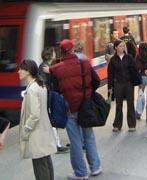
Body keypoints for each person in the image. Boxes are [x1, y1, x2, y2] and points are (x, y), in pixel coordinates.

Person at [44, 39, 102, 179]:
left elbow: (55, 89)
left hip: (70, 108)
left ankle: (81, 173)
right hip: (86, 106)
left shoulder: (57, 69)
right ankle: (95, 168)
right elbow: (97, 81)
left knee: (75, 141)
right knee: (89, 137)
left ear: (61, 52)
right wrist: (87, 93)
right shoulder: (85, 64)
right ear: (73, 49)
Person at [18, 60, 57, 180]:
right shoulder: (40, 85)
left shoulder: (32, 90)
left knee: (39, 166)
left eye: (21, 69)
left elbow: (34, 114)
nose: (18, 71)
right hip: (43, 130)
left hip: (36, 132)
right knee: (45, 161)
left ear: (28, 71)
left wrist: (26, 129)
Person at [39, 47, 69, 154]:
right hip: (49, 96)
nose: (55, 54)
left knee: (51, 119)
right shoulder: (44, 67)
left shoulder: (48, 66)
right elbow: (44, 83)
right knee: (51, 119)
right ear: (50, 55)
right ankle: (56, 145)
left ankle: (55, 144)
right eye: (53, 53)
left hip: (50, 95)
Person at [107, 39, 137, 132]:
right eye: (120, 46)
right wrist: (110, 88)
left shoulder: (129, 57)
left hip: (128, 83)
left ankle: (132, 125)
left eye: (123, 46)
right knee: (118, 105)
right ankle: (117, 125)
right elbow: (110, 74)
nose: (122, 48)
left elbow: (134, 70)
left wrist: (135, 82)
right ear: (115, 47)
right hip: (118, 84)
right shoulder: (113, 60)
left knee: (130, 104)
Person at [135, 42, 147, 122]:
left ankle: (138, 114)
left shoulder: (138, 57)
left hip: (142, 78)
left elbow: (137, 68)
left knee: (140, 97)